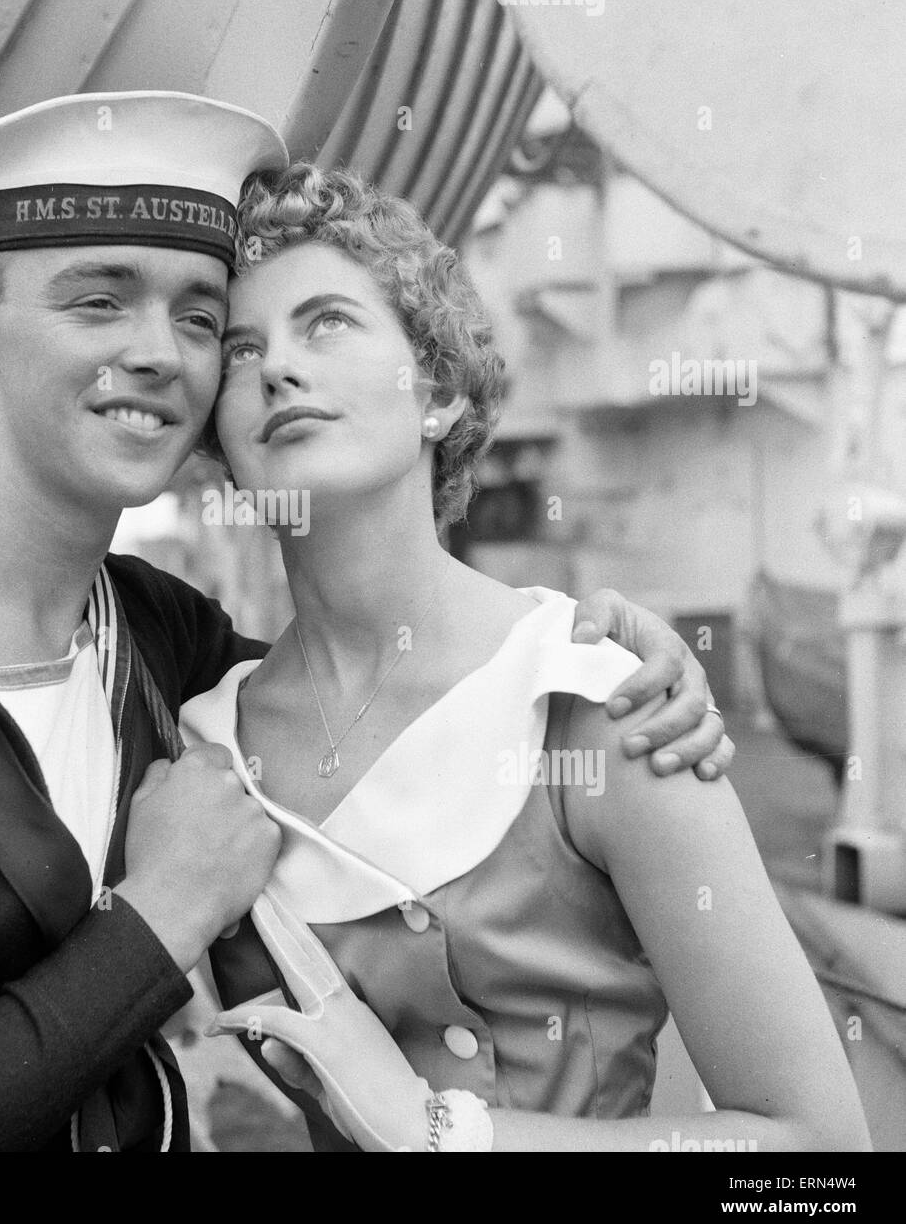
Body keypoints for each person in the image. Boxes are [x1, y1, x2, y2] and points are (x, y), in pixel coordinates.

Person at [0, 94, 728, 1154]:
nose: (162, 351)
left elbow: (382, 690)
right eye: (99, 300)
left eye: (200, 317)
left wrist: (596, 646)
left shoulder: (156, 636)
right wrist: (158, 920)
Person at [190, 163, 871, 1152]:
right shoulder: (200, 740)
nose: (277, 366)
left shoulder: (593, 697)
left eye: (326, 321)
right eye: (240, 346)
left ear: (434, 393)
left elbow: (819, 1155)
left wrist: (441, 1128)